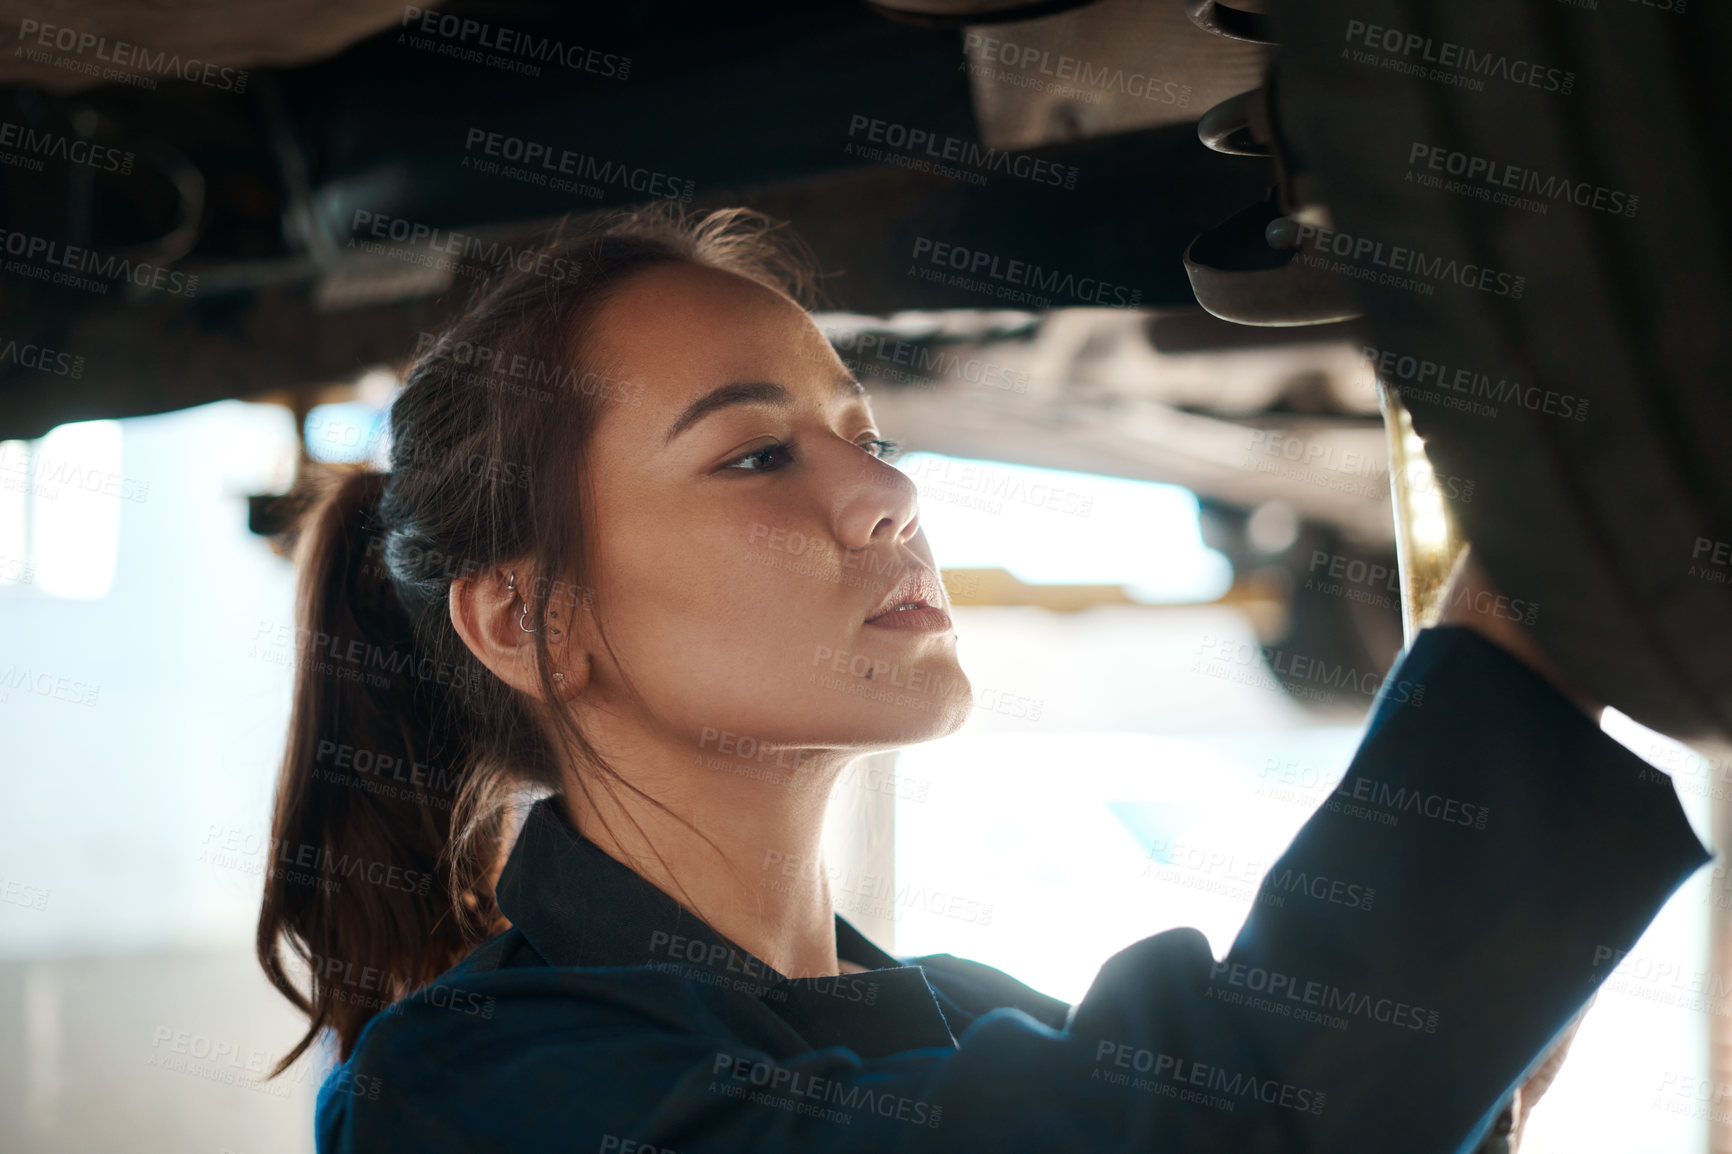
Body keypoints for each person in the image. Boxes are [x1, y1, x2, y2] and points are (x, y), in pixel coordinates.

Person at [256, 205, 1709, 1153]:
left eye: (863, 427)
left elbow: (1351, 1105)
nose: (885, 485)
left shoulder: (949, 1014)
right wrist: (1559, 517)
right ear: (528, 619)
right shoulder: (467, 1096)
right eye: (759, 452)